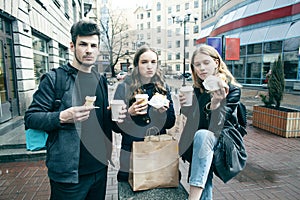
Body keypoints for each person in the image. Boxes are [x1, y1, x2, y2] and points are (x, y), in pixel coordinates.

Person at [24, 20, 113, 199]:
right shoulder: (54, 79)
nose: (89, 50)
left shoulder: (100, 80)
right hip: (69, 176)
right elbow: (31, 117)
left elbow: (103, 120)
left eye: (93, 45)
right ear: (72, 46)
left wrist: (124, 116)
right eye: (83, 44)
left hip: (100, 169)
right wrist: (62, 117)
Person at [178, 44, 242, 200]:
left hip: (222, 141)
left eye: (206, 63)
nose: (202, 68)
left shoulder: (231, 89)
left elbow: (216, 128)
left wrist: (216, 104)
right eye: (197, 65)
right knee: (204, 177)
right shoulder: (195, 90)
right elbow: (194, 123)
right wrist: (184, 108)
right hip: (199, 141)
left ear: (217, 63)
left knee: (203, 136)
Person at [112, 45, 176, 182]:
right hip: (131, 151)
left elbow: (171, 123)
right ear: (137, 65)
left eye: (153, 62)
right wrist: (129, 113)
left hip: (156, 148)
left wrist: (161, 113)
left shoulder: (163, 87)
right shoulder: (124, 87)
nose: (149, 66)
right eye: (144, 62)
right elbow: (115, 127)